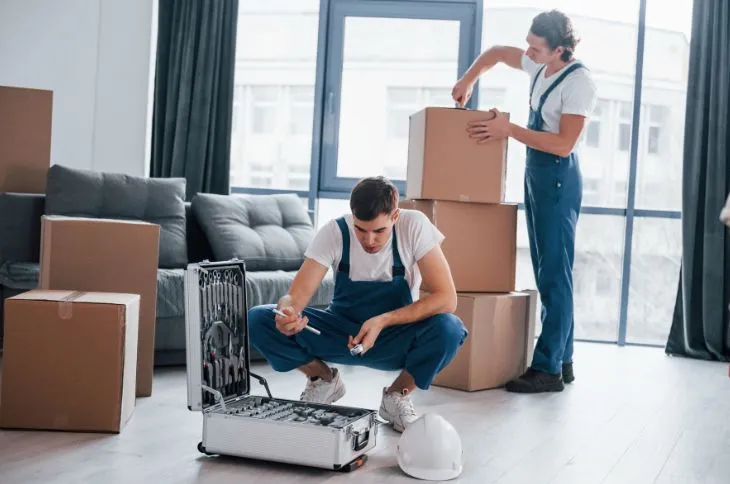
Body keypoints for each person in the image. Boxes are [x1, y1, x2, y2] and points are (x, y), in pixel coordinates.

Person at [247, 176, 468, 432]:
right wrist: (287, 313)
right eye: (361, 230)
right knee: (258, 318)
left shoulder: (414, 226)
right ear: (352, 217)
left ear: (395, 216)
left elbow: (447, 298)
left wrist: (382, 320)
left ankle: (396, 396)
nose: (369, 240)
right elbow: (294, 296)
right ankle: (323, 380)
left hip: (393, 337)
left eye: (379, 231)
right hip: (342, 334)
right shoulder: (334, 232)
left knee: (450, 328)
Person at [451, 9, 597, 393]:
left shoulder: (579, 82)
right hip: (536, 174)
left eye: (536, 48)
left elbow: (564, 144)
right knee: (548, 269)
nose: (527, 53)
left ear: (560, 50)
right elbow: (498, 52)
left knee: (554, 274)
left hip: (558, 180)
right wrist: (467, 79)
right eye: (529, 45)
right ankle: (563, 360)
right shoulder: (538, 66)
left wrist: (508, 129)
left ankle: (547, 368)